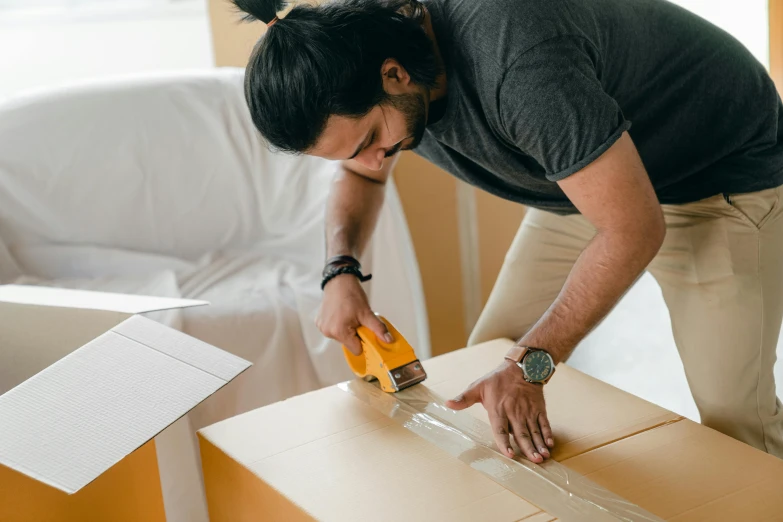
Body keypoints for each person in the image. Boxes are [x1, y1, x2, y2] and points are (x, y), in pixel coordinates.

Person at [232, 0, 783, 462]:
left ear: (395, 73)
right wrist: (340, 271)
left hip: (718, 173)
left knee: (735, 414)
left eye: (373, 139)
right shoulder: (361, 53)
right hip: (585, 182)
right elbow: (359, 174)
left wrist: (531, 365)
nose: (376, 162)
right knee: (486, 368)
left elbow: (635, 230)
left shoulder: (520, 65)